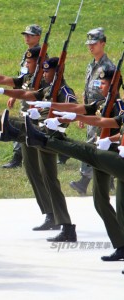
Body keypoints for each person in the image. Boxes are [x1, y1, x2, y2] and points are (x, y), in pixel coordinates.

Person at [0, 56, 77, 242]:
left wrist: (56, 118)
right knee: (32, 168)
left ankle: (66, 225)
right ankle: (52, 216)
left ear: (58, 72)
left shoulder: (65, 91)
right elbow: (28, 95)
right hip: (36, 130)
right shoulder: (48, 88)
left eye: (47, 71)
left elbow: (73, 111)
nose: (44, 74)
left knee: (49, 178)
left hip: (50, 137)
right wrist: (4, 91)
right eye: (43, 71)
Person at [22, 68, 124, 261]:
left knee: (120, 204)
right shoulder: (103, 103)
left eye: (103, 83)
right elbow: (84, 110)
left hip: (113, 156)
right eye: (99, 83)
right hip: (101, 152)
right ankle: (120, 244)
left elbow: (108, 122)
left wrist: (111, 140)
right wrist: (61, 112)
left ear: (113, 85)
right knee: (99, 201)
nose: (100, 86)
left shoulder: (120, 105)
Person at [70, 27, 116, 196]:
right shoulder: (91, 65)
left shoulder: (108, 67)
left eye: (94, 44)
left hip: (102, 113)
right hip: (91, 111)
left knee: (93, 144)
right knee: (97, 144)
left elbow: (111, 94)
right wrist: (83, 113)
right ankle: (109, 179)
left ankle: (84, 181)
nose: (90, 47)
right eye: (88, 44)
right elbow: (87, 91)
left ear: (103, 44)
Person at [3, 24, 42, 169]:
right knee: (24, 123)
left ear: (38, 37)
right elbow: (22, 76)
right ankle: (20, 156)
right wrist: (14, 93)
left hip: (33, 96)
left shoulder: (40, 56)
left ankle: (18, 157)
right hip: (24, 94)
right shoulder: (27, 53)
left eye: (30, 35)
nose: (27, 37)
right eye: (25, 34)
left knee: (30, 124)